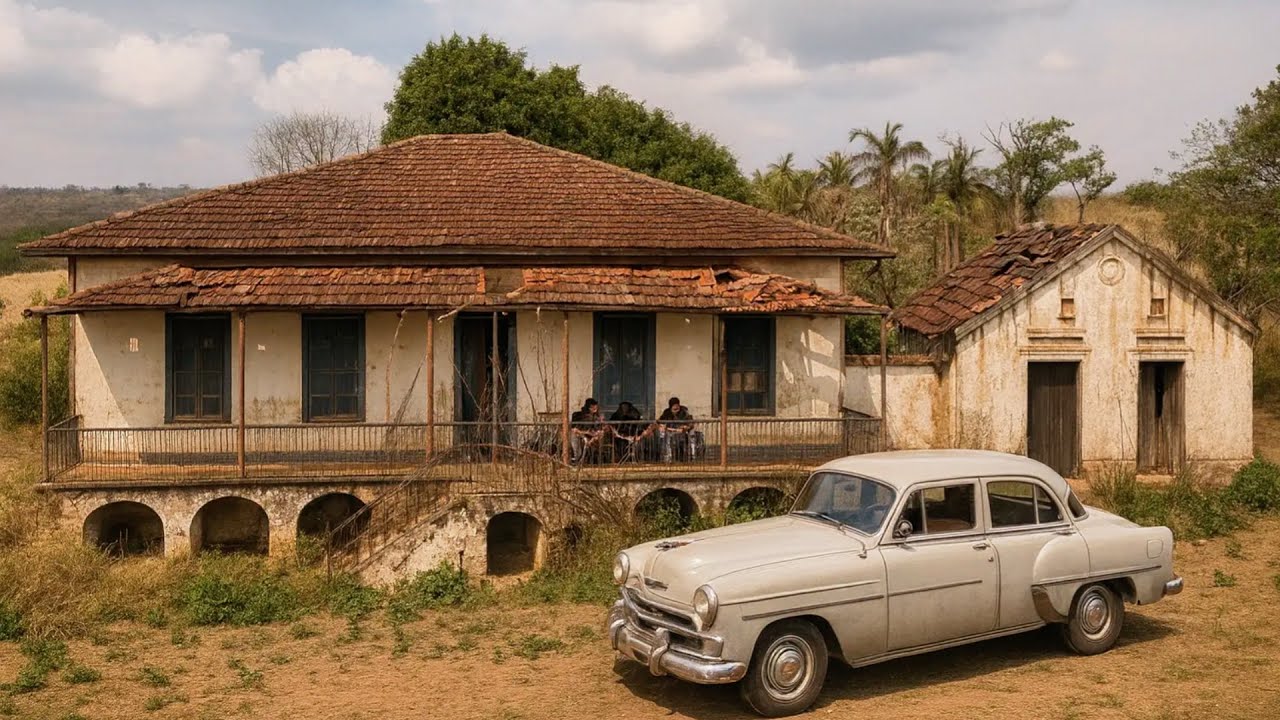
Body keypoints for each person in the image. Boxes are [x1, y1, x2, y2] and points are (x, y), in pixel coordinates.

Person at [658, 397, 702, 462]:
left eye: (677, 408)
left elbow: (690, 423)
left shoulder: (684, 411)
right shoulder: (666, 412)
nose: (676, 411)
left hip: (683, 433)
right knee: (665, 437)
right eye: (674, 409)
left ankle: (692, 456)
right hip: (670, 432)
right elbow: (659, 421)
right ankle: (667, 458)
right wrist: (661, 426)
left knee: (689, 438)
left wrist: (686, 427)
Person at [570, 398, 606, 464]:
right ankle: (576, 457)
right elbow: (574, 429)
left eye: (595, 406)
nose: (594, 408)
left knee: (601, 434)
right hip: (581, 434)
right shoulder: (578, 415)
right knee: (574, 435)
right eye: (591, 407)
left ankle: (596, 455)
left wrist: (595, 434)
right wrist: (585, 432)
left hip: (593, 436)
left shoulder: (598, 417)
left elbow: (601, 428)